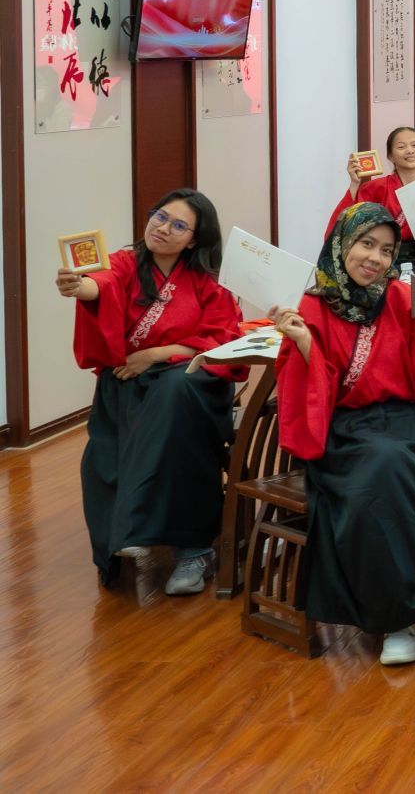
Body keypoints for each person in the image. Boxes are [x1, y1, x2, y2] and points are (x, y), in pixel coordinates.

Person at [271, 204, 415, 666]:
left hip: (405, 421)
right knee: (370, 490)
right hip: (341, 426)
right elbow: (313, 390)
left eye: (387, 250)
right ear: (341, 243)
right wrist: (304, 344)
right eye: (367, 244)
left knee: (384, 465)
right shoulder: (309, 306)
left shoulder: (402, 297)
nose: (376, 259)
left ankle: (397, 622)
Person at [60, 189, 239, 592]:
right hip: (129, 386)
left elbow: (221, 340)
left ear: (193, 240)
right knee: (115, 448)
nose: (163, 228)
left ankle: (194, 551)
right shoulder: (126, 263)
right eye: (160, 216)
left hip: (192, 384)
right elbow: (102, 282)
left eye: (179, 225)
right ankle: (131, 531)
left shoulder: (209, 281)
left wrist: (156, 353)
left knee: (176, 400)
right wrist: (80, 287)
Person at [331, 125, 415, 267]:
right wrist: (355, 183)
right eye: (401, 147)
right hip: (382, 255)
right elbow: (349, 222)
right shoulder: (375, 187)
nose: (410, 151)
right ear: (390, 156)